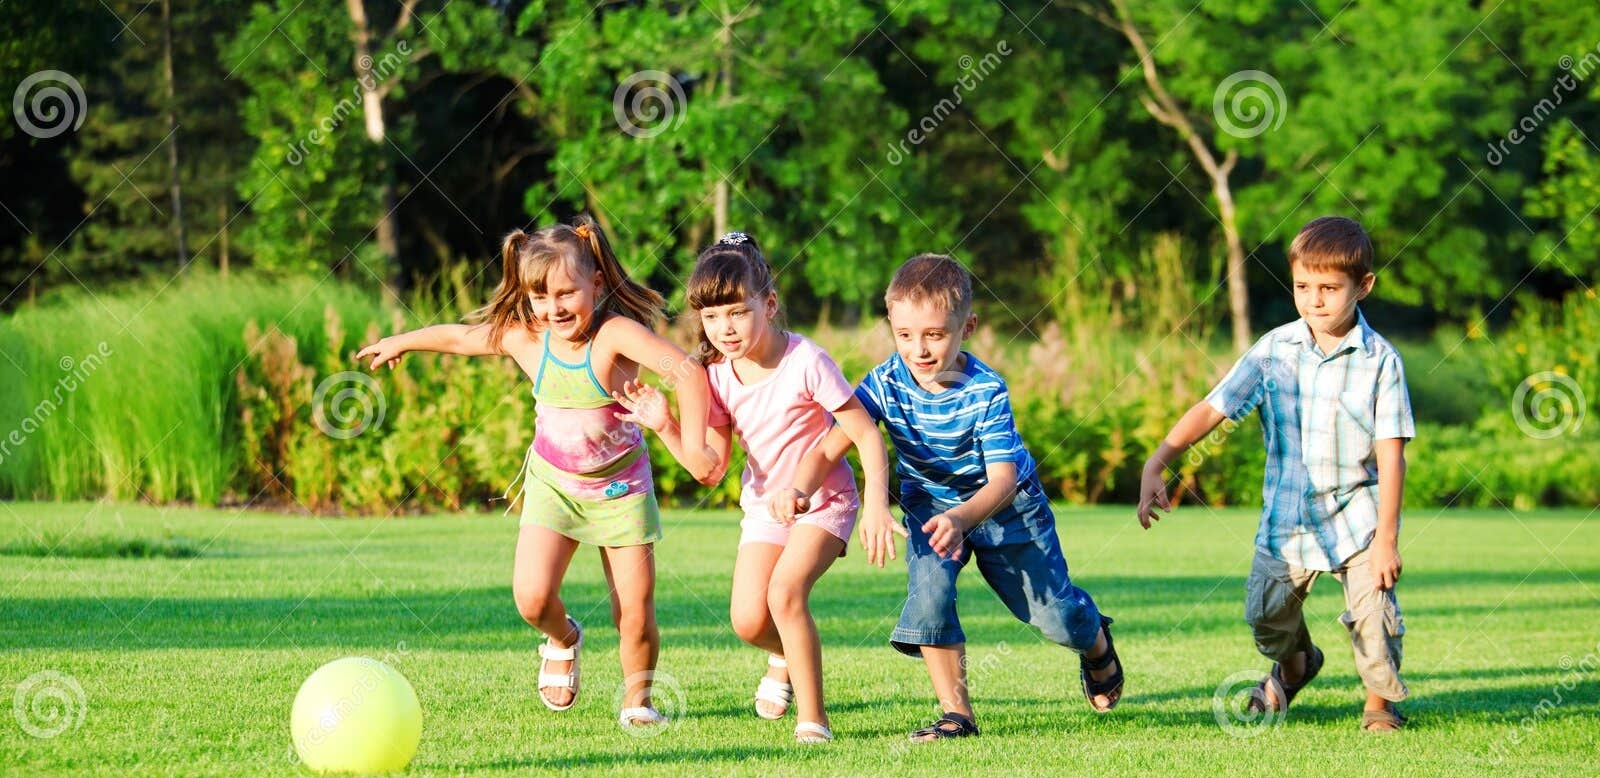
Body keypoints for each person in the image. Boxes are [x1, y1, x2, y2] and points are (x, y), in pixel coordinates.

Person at [356, 214, 710, 727]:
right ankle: (564, 637)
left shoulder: (615, 335)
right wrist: (403, 341)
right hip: (554, 486)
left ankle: (639, 702)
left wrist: (693, 444)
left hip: (620, 490)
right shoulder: (527, 337)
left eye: (566, 293)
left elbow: (688, 371)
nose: (553, 307)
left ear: (596, 282)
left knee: (633, 615)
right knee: (532, 598)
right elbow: (461, 338)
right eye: (539, 297)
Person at [787, 253, 1123, 742]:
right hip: (929, 506)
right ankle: (957, 716)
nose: (918, 349)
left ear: (968, 327)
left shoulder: (986, 390)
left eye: (934, 334)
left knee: (1056, 616)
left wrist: (962, 519)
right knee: (930, 598)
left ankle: (1096, 645)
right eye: (904, 335)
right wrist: (799, 487)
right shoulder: (884, 382)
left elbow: (1003, 480)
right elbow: (831, 445)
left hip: (1007, 509)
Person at [1137, 215, 1413, 732]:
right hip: (1287, 521)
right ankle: (1296, 666)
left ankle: (1379, 703)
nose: (1314, 300)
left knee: (1374, 619)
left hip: (1358, 519)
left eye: (1329, 288)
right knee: (1266, 618)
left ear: (1364, 286)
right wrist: (1159, 460)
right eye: (1303, 287)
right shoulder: (1274, 350)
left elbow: (1392, 453)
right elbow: (1214, 408)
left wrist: (1387, 539)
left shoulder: (1382, 361)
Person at [619, 232, 898, 743]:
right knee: (748, 620)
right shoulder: (716, 377)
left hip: (825, 502)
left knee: (785, 594)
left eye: (737, 312)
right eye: (710, 317)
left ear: (767, 304)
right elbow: (710, 467)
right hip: (766, 508)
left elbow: (863, 432)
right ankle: (784, 655)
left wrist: (878, 505)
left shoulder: (805, 360)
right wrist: (664, 425)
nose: (724, 328)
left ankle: (813, 721)